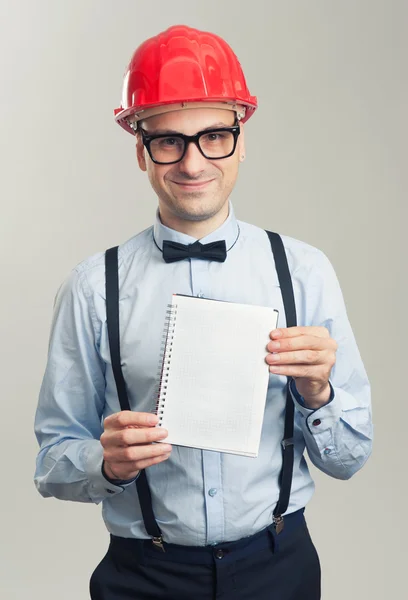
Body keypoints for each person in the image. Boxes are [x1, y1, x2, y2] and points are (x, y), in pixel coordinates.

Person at [34, 24, 373, 600]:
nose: (193, 163)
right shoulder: (93, 288)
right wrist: (105, 462)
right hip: (143, 577)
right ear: (140, 149)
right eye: (169, 140)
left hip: (279, 568)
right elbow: (52, 463)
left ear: (241, 140)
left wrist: (319, 395)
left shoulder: (305, 272)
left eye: (214, 135)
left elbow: (349, 458)